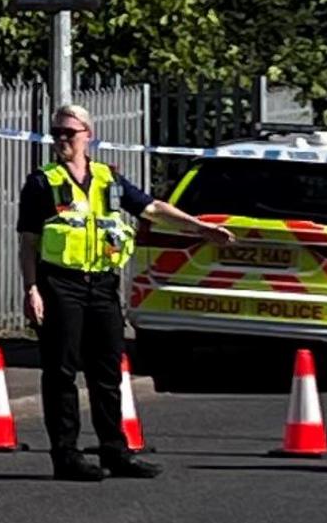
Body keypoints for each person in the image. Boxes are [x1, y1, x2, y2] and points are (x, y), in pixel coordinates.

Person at [16, 103, 236, 482]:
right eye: (57, 134)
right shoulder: (42, 182)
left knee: (107, 372)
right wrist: (31, 288)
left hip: (101, 285)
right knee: (61, 372)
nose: (62, 140)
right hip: (60, 284)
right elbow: (28, 241)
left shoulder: (108, 179)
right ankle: (65, 455)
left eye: (69, 133)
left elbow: (151, 207)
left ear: (88, 134)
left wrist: (198, 227)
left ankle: (114, 451)